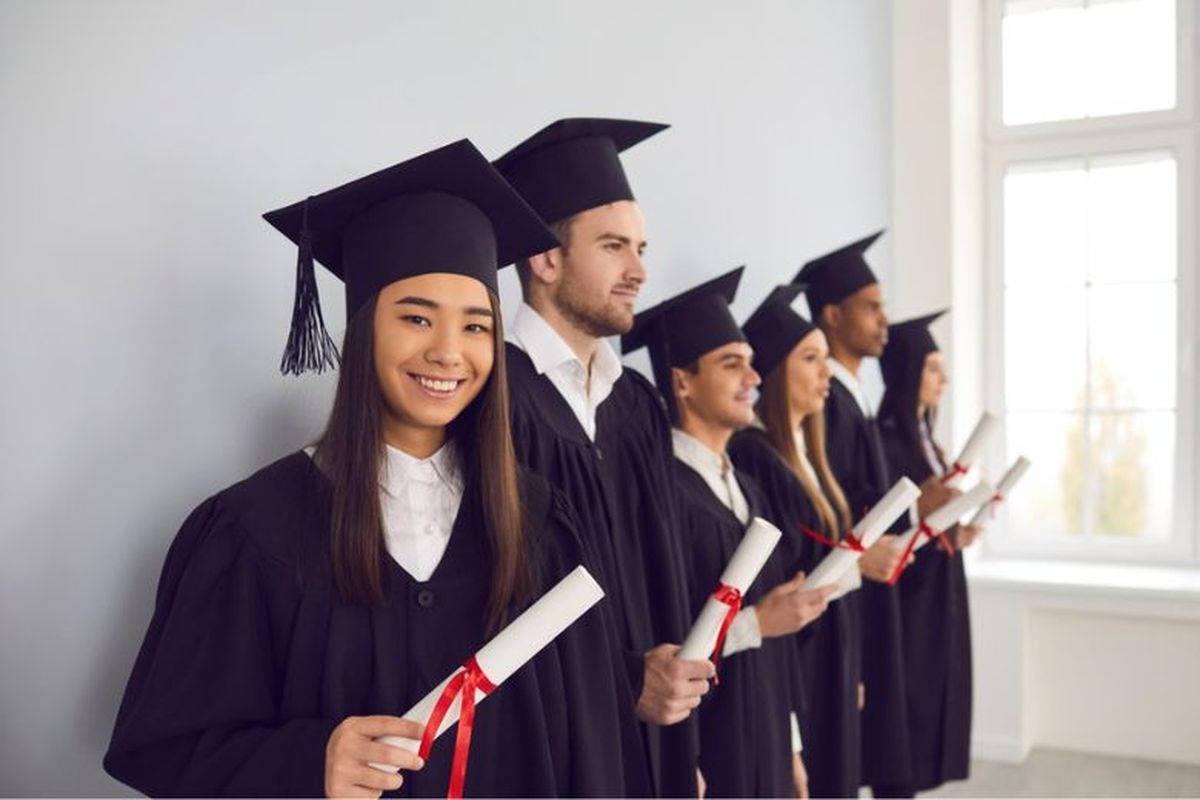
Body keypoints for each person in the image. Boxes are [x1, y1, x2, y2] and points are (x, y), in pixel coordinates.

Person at [103, 140, 644, 798]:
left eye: (476, 327)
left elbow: (598, 750)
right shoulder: (253, 531)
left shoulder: (541, 526)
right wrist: (309, 762)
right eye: (416, 317)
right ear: (364, 328)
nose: (449, 353)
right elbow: (163, 751)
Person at [494, 118, 711, 796]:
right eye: (614, 246)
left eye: (641, 247)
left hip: (656, 735)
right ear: (546, 259)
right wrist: (620, 677)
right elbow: (497, 599)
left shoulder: (638, 404)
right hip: (556, 748)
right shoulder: (493, 400)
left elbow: (665, 570)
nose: (640, 271)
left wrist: (684, 749)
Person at [622, 267, 835, 798]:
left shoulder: (748, 488)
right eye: (732, 364)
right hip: (707, 736)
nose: (755, 379)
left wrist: (791, 747)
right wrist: (760, 622)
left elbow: (778, 637)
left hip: (763, 719)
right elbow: (662, 632)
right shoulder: (660, 494)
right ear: (683, 381)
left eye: (752, 365)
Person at [796, 232, 956, 798]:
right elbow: (842, 512)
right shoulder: (829, 407)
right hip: (848, 599)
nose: (885, 321)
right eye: (872, 307)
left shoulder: (854, 400)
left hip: (871, 592)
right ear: (831, 315)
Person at [728, 284, 865, 799]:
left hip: (829, 655)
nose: (826, 373)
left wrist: (851, 664)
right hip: (800, 662)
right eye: (811, 359)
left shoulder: (809, 455)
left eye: (826, 359)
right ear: (778, 369)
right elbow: (789, 576)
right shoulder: (756, 455)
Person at [878, 310, 980, 794]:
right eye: (932, 367)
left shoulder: (928, 438)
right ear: (905, 373)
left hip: (941, 587)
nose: (944, 379)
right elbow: (881, 519)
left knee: (941, 694)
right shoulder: (883, 439)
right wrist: (922, 509)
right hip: (909, 599)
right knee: (908, 714)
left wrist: (955, 531)